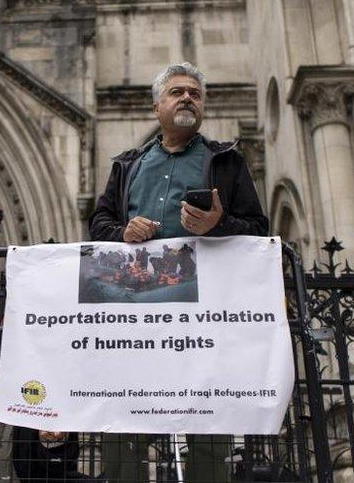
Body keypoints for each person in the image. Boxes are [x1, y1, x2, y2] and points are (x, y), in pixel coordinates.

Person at [89, 63, 268, 483]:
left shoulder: (226, 161)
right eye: (177, 92)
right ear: (157, 108)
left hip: (203, 309)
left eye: (195, 93)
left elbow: (259, 230)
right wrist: (123, 231)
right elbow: (99, 225)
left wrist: (216, 225)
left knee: (204, 412)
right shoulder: (127, 164)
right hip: (135, 308)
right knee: (128, 412)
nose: (187, 98)